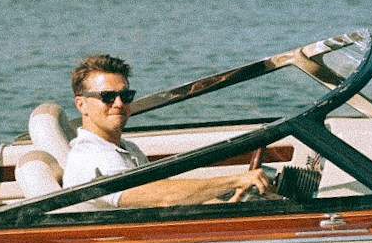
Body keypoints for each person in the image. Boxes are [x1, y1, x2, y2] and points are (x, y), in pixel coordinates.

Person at [62, 53, 272, 207]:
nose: (118, 103)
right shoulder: (90, 158)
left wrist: (222, 204)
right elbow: (163, 196)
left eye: (126, 96)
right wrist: (234, 180)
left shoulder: (126, 148)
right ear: (81, 105)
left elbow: (162, 190)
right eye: (107, 97)